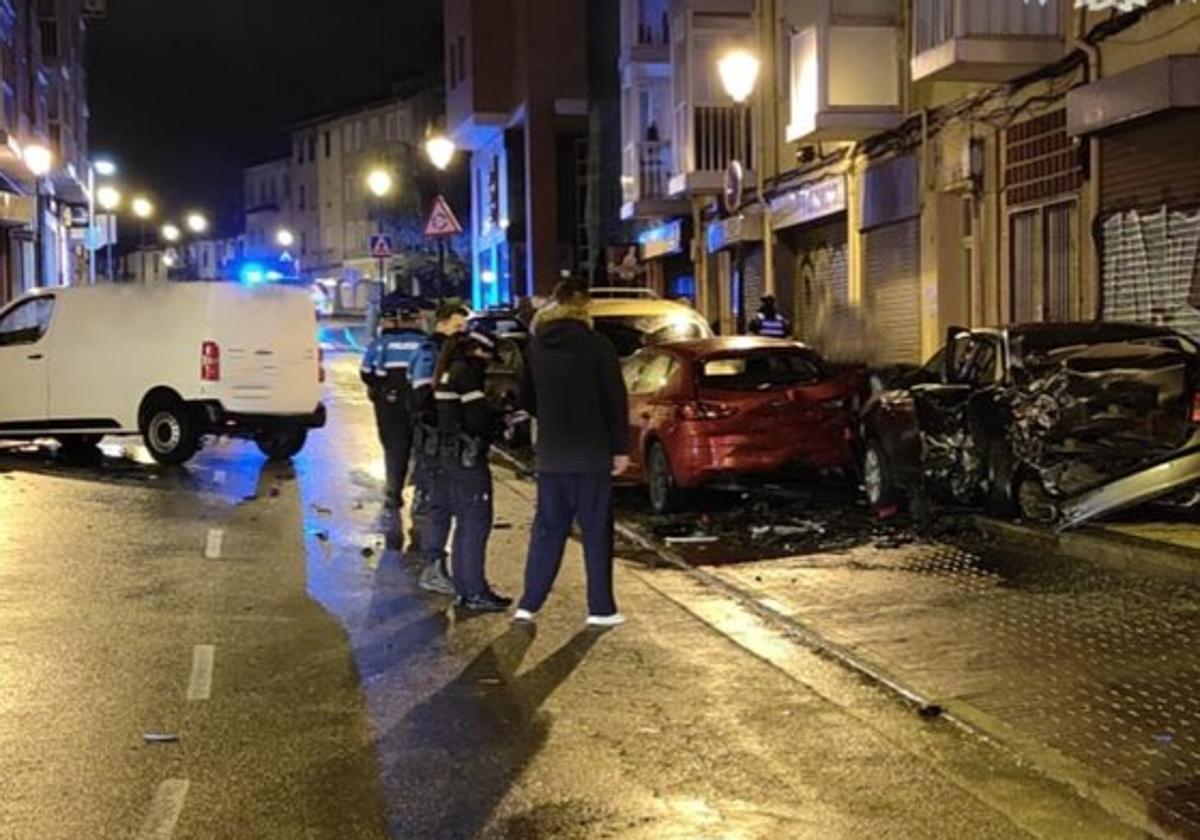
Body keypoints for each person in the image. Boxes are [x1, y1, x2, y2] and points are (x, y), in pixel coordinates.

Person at [515, 279, 630, 627]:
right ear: (585, 307)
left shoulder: (536, 347)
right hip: (592, 453)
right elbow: (615, 399)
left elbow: (526, 398)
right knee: (596, 532)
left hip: (552, 453)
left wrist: (550, 419)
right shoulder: (598, 345)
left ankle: (529, 603)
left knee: (548, 530)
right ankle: (600, 608)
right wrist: (620, 449)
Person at [433, 329, 512, 612]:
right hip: (467, 458)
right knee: (476, 523)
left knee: (465, 524)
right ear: (478, 351)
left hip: (449, 455)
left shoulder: (446, 371)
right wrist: (500, 419)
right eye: (488, 356)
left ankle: (465, 589)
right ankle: (475, 591)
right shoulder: (465, 374)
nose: (488, 363)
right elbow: (477, 420)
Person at [411, 302, 469, 594]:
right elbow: (422, 396)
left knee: (441, 505)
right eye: (458, 326)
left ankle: (436, 566)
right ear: (443, 323)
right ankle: (433, 568)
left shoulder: (446, 351)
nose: (463, 332)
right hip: (433, 440)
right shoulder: (429, 352)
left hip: (440, 440)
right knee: (438, 506)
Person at [360, 299, 427, 509]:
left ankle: (393, 493)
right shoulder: (426, 343)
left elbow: (366, 372)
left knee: (395, 447)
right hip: (420, 402)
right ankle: (421, 494)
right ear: (418, 321)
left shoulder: (381, 344)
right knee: (423, 448)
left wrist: (379, 389)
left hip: (390, 403)